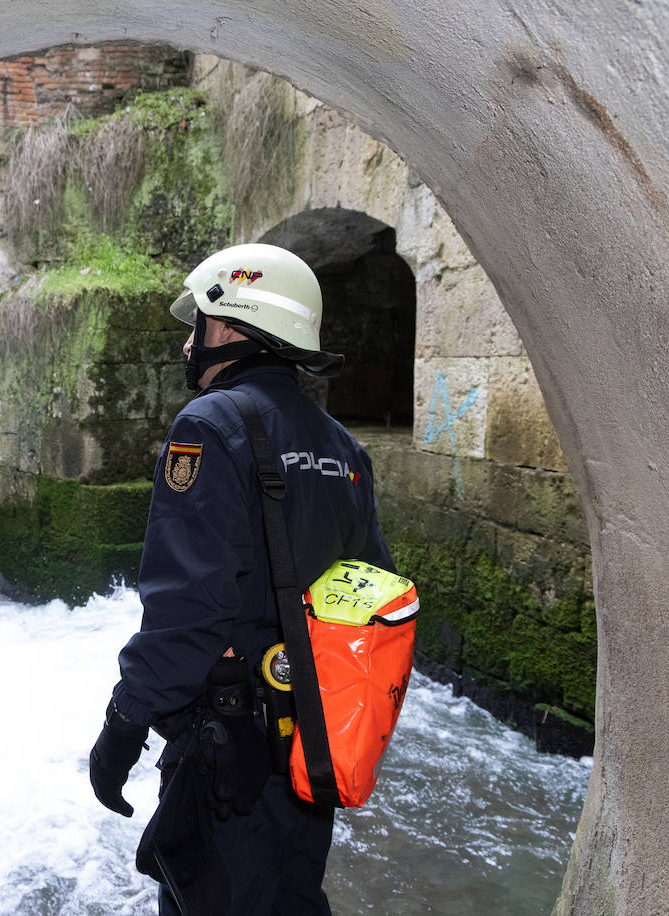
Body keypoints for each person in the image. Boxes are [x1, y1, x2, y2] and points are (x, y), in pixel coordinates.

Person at [88, 242, 395, 914]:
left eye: (197, 321)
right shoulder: (344, 448)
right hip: (308, 746)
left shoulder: (210, 425)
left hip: (225, 756)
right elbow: (374, 599)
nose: (189, 343)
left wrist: (123, 726)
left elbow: (187, 609)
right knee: (291, 900)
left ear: (229, 325)